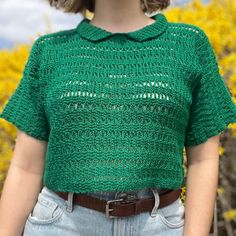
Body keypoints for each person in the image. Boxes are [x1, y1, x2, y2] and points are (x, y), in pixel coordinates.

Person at [0, 0, 236, 235]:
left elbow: (203, 160)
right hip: (62, 224)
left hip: (159, 225)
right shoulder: (50, 51)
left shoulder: (189, 45)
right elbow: (26, 168)